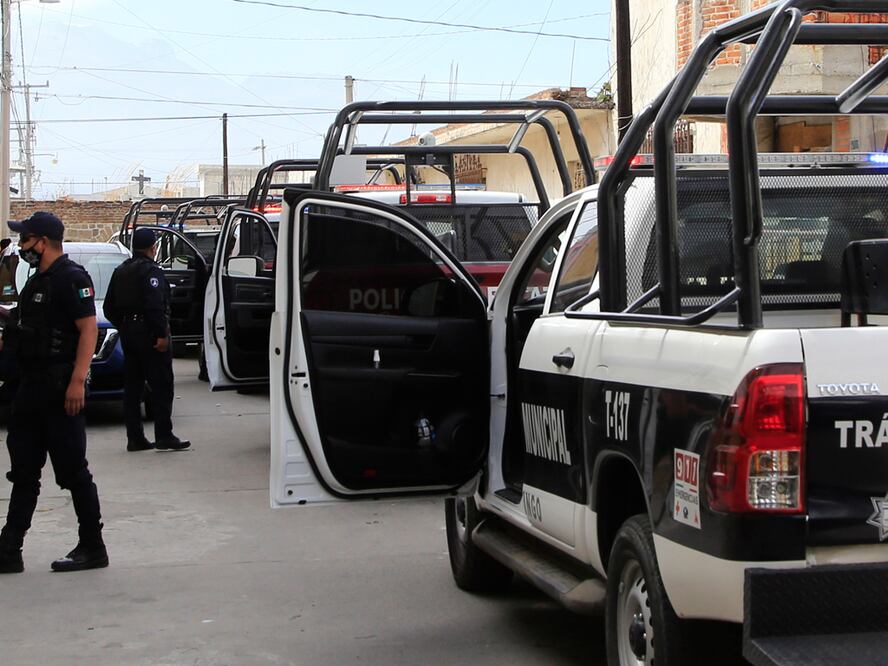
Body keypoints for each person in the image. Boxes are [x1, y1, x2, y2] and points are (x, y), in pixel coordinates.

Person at [0, 212, 108, 574]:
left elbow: (88, 331)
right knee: (24, 472)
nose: (22, 247)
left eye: (25, 240)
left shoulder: (70, 278)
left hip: (60, 392)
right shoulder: (38, 280)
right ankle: (9, 548)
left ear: (42, 242)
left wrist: (78, 381)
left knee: (73, 472)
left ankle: (93, 546)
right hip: (31, 391)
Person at [104, 227, 190, 452]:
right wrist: (161, 334)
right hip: (149, 334)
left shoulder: (121, 271)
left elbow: (108, 307)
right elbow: (154, 305)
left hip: (129, 333)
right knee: (162, 385)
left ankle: (135, 437)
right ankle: (164, 435)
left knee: (132, 387)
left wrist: (124, 326)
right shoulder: (151, 271)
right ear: (153, 247)